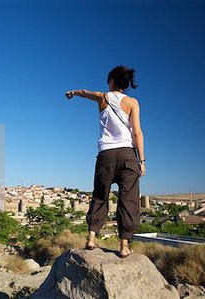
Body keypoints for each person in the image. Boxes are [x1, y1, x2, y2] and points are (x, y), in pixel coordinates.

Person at [65, 65, 145, 258]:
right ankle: (124, 245)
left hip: (106, 155)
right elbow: (137, 133)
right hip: (127, 155)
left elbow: (84, 93)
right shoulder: (133, 102)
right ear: (125, 85)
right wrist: (142, 160)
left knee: (101, 195)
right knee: (129, 199)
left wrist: (72, 93)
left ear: (111, 81)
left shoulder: (103, 97)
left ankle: (92, 238)